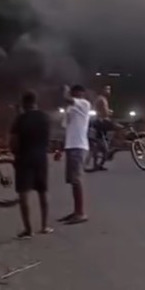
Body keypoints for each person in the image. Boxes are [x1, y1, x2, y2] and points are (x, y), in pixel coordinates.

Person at [11, 91, 53, 237]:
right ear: (35, 102)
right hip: (41, 157)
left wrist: (14, 153)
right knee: (42, 191)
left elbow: (14, 141)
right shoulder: (45, 117)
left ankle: (28, 229)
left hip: (24, 157)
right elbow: (48, 138)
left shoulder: (20, 119)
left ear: (23, 103)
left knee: (23, 193)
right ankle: (45, 226)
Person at [61, 84, 91, 224]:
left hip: (79, 146)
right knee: (72, 181)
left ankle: (80, 213)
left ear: (82, 93)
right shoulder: (70, 108)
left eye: (76, 92)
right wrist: (61, 148)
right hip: (70, 146)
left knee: (76, 180)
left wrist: (65, 91)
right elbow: (66, 128)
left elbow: (67, 98)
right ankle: (76, 211)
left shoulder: (84, 104)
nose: (75, 95)